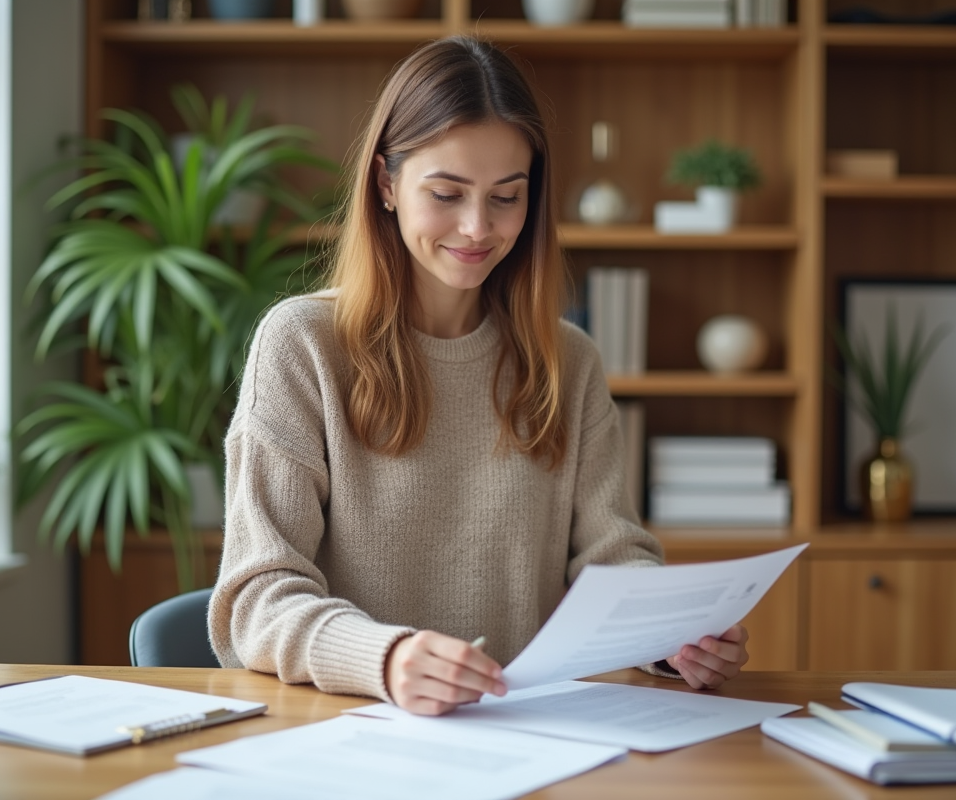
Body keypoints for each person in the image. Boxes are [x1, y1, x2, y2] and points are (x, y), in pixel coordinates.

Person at [208, 35, 749, 716]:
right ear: (386, 184)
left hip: (529, 734)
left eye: (506, 197)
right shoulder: (303, 344)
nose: (476, 227)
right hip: (351, 731)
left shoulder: (568, 360)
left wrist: (669, 636)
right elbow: (258, 596)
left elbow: (613, 562)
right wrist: (386, 658)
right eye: (446, 192)